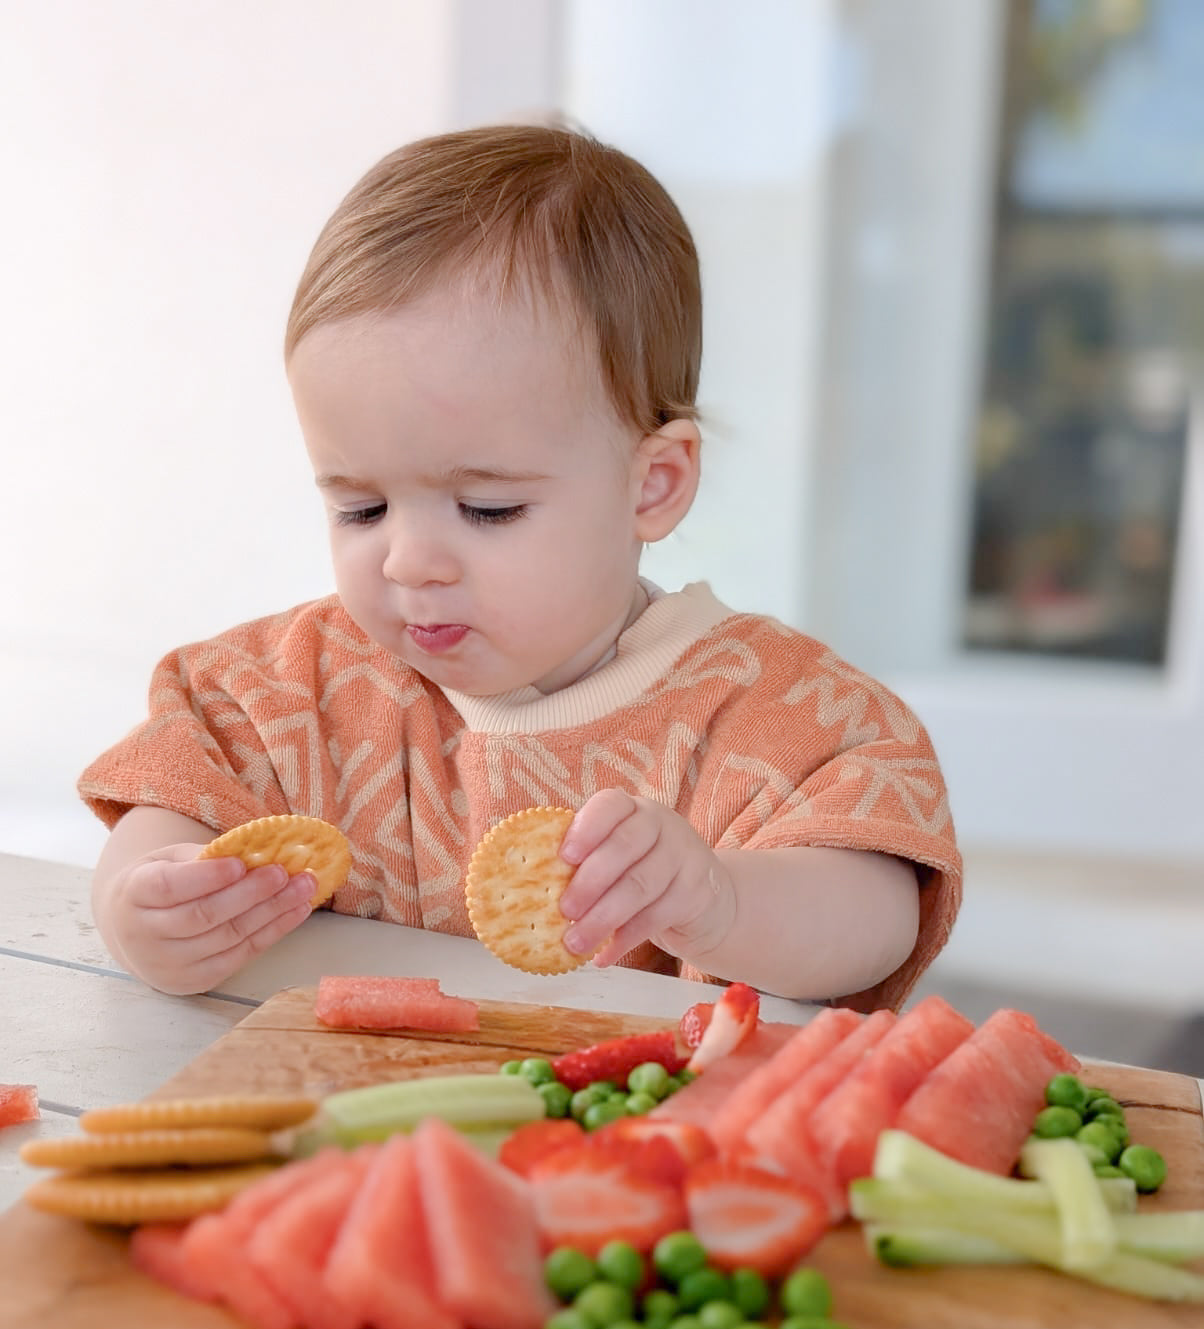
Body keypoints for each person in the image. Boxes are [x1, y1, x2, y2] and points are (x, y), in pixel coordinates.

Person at [79, 123, 962, 1007]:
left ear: (652, 483)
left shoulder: (773, 714)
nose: (409, 560)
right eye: (361, 507)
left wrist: (719, 900)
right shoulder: (286, 694)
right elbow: (173, 795)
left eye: (487, 509)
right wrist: (149, 903)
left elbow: (873, 920)